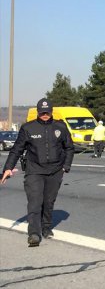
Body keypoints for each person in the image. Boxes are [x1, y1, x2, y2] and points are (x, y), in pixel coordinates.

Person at [1, 98, 74, 247]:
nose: (45, 114)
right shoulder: (28, 128)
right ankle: (34, 233)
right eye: (42, 112)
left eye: (47, 112)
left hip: (55, 170)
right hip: (34, 170)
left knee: (48, 201)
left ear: (51, 111)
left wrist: (65, 166)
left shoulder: (61, 127)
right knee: (35, 201)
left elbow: (69, 148)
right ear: (38, 112)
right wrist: (7, 168)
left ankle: (46, 227)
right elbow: (17, 149)